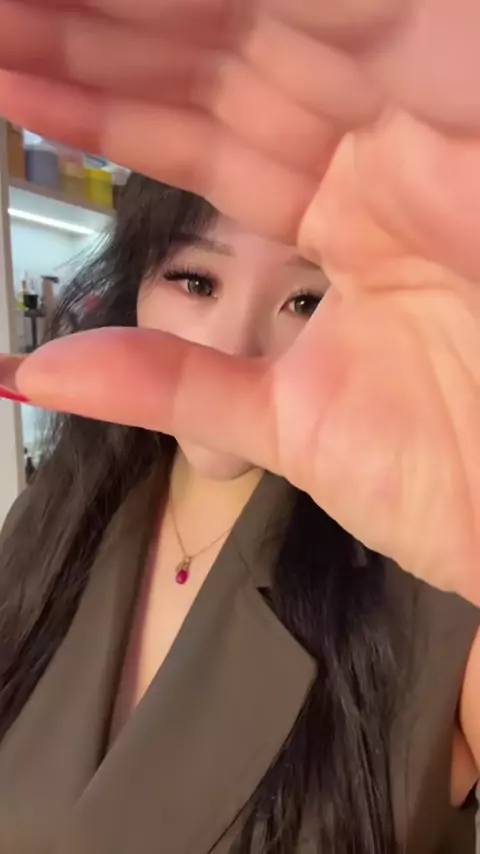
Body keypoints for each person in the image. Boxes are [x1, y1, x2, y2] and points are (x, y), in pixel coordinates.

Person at [0, 1, 480, 852]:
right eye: (195, 282)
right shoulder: (58, 517)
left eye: (306, 300)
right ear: (133, 283)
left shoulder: (439, 589)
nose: (234, 347)